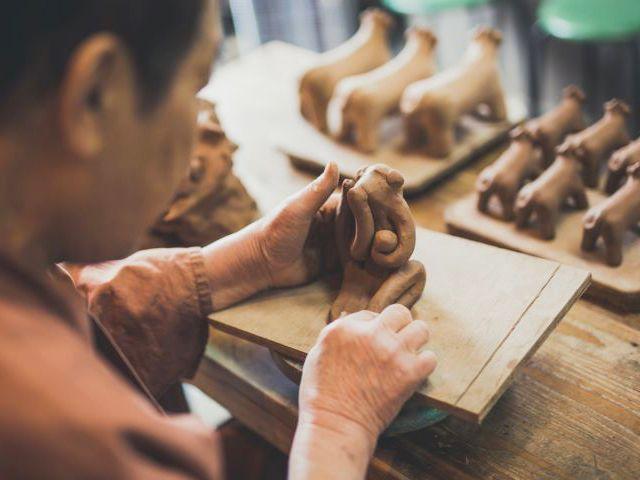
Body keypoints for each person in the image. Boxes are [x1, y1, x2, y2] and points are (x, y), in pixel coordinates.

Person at [0, 0, 438, 478]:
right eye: (196, 87)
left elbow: (88, 311)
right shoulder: (59, 440)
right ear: (96, 96)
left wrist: (245, 261)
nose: (204, 129)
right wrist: (336, 429)